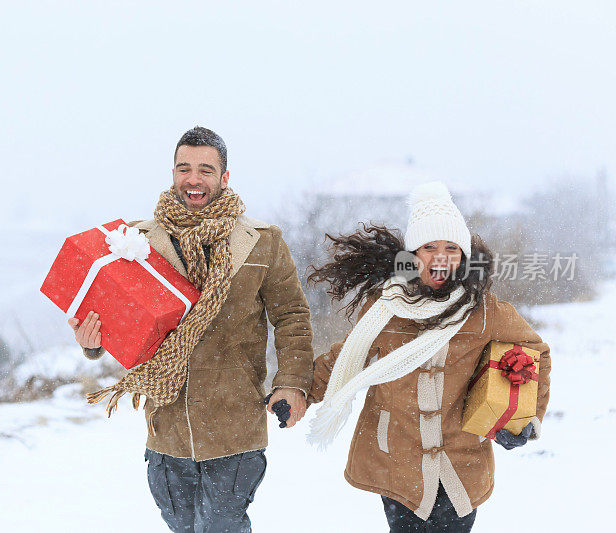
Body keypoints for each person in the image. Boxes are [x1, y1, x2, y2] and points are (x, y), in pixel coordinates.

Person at [69, 126, 314, 532]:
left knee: (220, 527)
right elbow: (115, 319)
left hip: (234, 426)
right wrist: (93, 343)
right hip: (167, 429)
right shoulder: (136, 242)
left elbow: (291, 315)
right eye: (184, 168)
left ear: (224, 178)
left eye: (205, 169)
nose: (193, 179)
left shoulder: (262, 242)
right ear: (173, 174)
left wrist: (291, 382)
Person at [307, 182, 551, 532]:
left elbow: (536, 353)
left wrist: (525, 418)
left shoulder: (485, 312)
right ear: (413, 254)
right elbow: (347, 356)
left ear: (464, 255)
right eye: (429, 247)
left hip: (462, 462)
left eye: (451, 247)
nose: (440, 256)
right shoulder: (386, 306)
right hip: (397, 460)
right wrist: (299, 391)